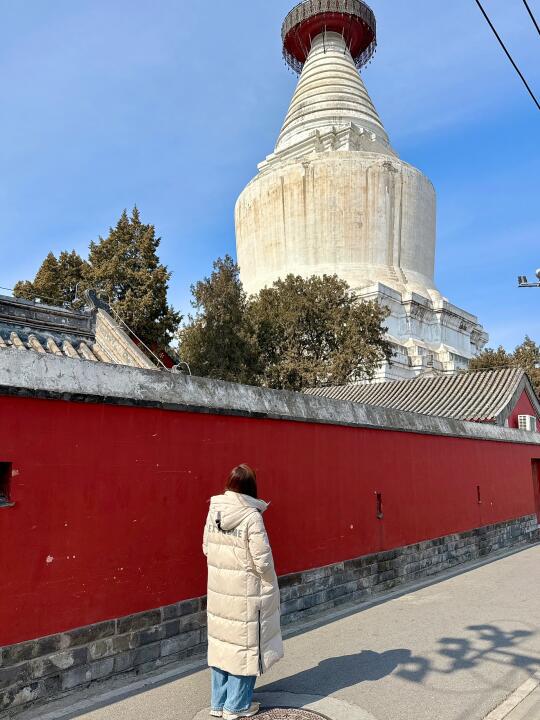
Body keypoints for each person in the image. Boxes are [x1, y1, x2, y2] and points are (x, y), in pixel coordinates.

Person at [203, 464, 283, 719]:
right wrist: (269, 583)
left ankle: (218, 703)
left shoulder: (214, 511)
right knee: (246, 644)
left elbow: (206, 547)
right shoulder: (251, 516)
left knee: (222, 644)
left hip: (219, 590)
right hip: (247, 591)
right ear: (251, 488)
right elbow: (263, 562)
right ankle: (236, 706)